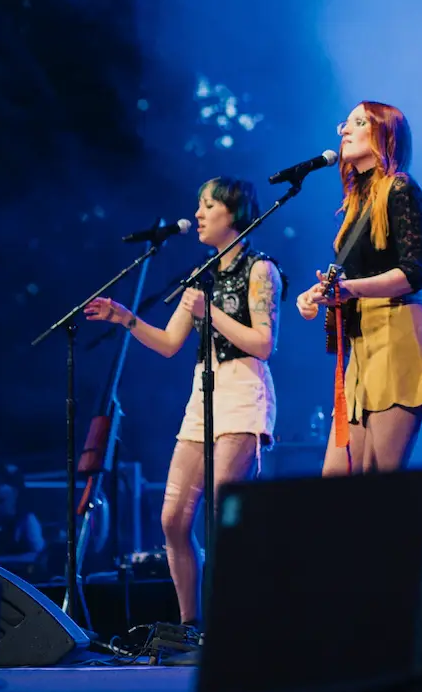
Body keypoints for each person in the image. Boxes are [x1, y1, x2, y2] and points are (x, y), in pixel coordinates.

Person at [84, 177, 283, 631]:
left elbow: (264, 343)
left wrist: (208, 313)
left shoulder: (260, 269)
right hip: (202, 394)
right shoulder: (201, 276)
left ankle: (237, 622)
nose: (197, 214)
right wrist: (125, 318)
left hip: (241, 392)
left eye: (207, 205)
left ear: (232, 213)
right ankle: (190, 625)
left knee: (222, 514)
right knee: (173, 518)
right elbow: (171, 342)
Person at [296, 101, 422, 475]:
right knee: (336, 483)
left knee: (379, 490)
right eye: (345, 124)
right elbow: (354, 275)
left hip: (396, 336)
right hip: (362, 346)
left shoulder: (400, 188)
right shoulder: (357, 201)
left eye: (358, 122)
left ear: (384, 133)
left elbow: (414, 272)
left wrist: (350, 290)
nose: (345, 131)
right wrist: (318, 295)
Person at [0, 463, 46, 575]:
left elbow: (39, 555)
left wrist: (2, 561)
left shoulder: (28, 521)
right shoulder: (3, 524)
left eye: (1, 501)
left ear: (14, 495)